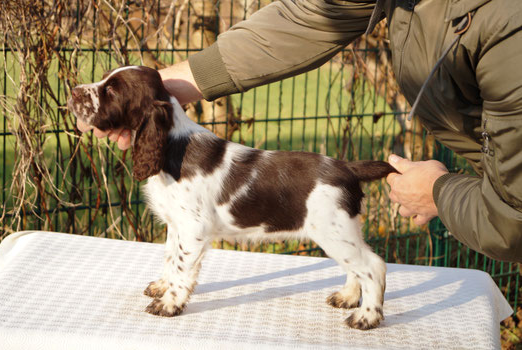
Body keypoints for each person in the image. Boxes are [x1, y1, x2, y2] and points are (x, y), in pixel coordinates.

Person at [77, 0, 522, 263]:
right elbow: (306, 20)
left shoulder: (507, 27)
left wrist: (441, 192)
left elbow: (511, 219)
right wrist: (177, 83)